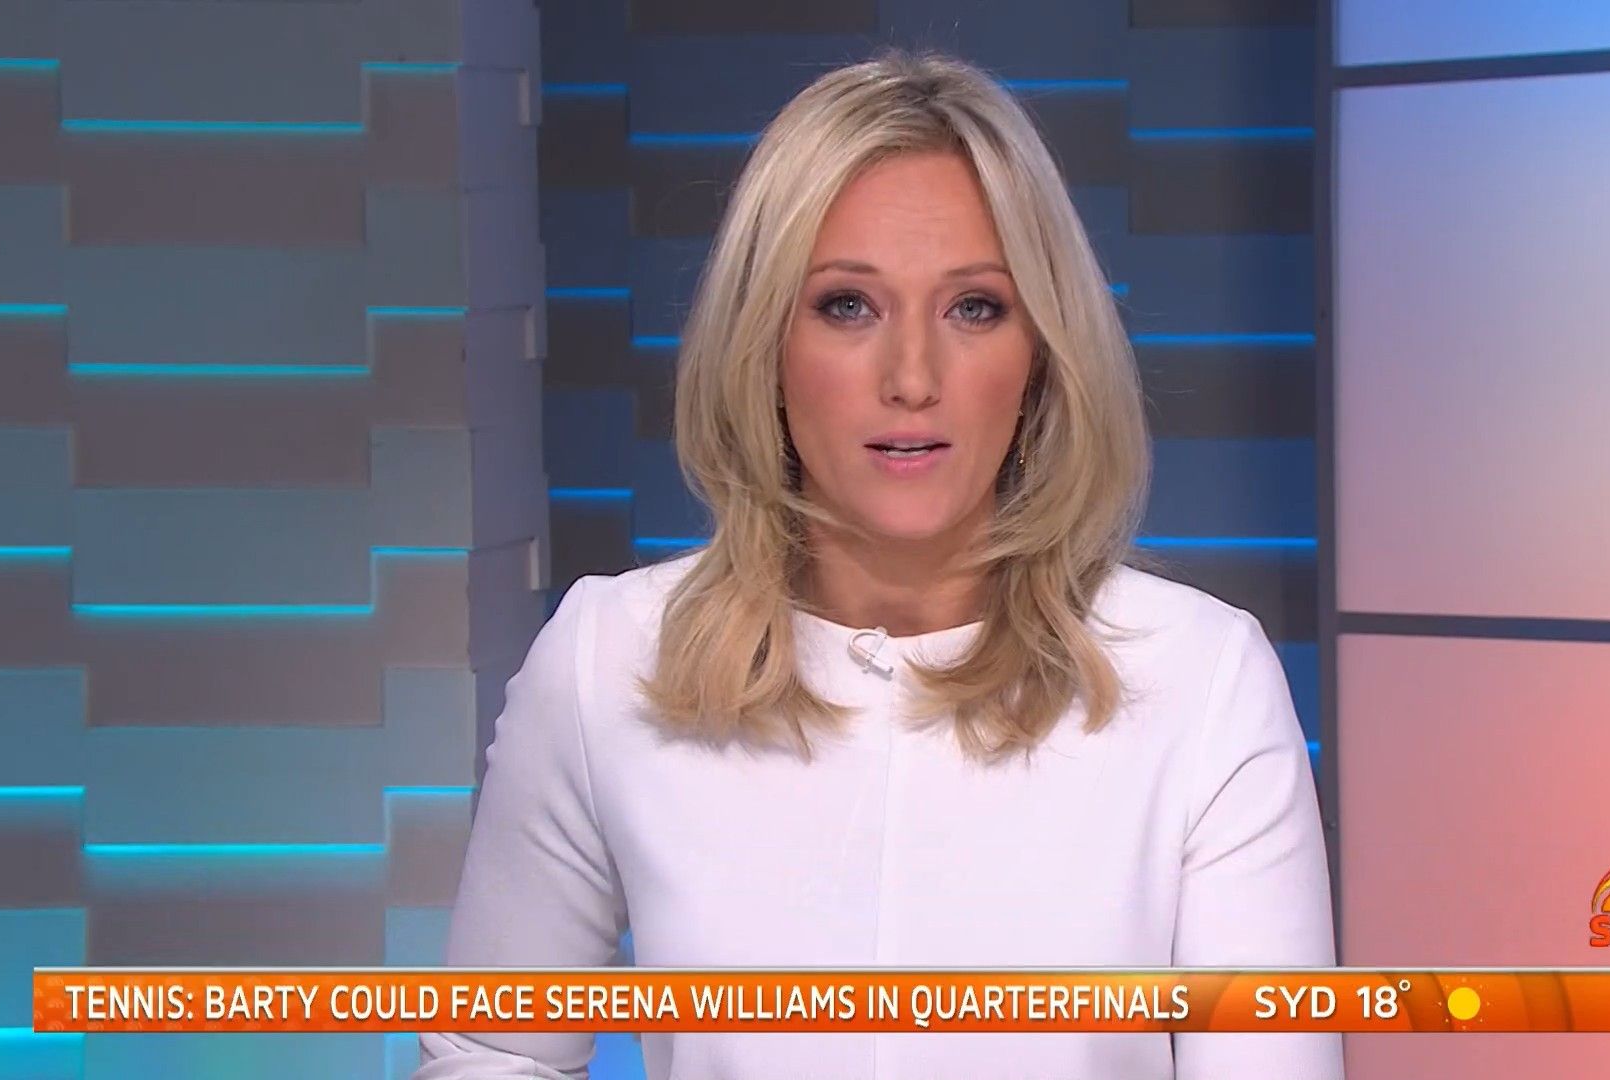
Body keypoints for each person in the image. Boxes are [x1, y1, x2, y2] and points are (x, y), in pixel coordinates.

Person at [416, 46, 1340, 1080]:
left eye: (974, 307)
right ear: (764, 341)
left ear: (1041, 353)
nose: (912, 377)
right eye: (847, 306)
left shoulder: (1202, 682)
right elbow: (489, 1051)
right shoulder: (609, 659)